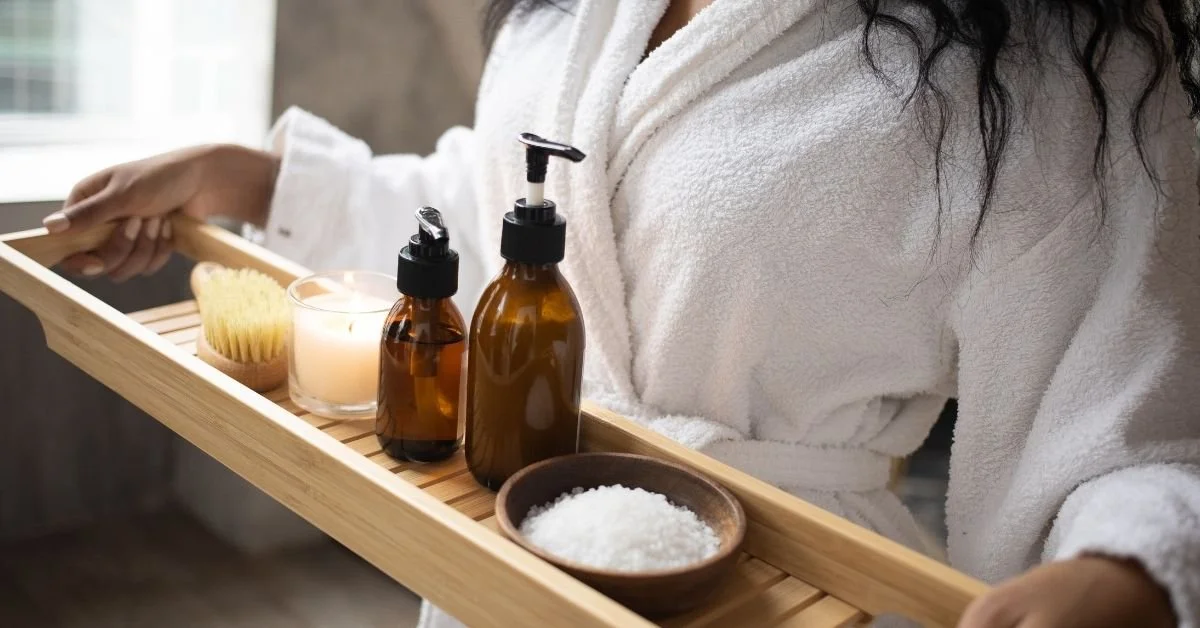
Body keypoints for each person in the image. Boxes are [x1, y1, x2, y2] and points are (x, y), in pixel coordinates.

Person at [41, 0, 1200, 625]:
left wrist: (1132, 568)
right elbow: (517, 213)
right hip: (510, 545)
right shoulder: (574, 7)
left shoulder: (1049, 61)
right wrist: (255, 179)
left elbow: (1128, 411)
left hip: (777, 584)